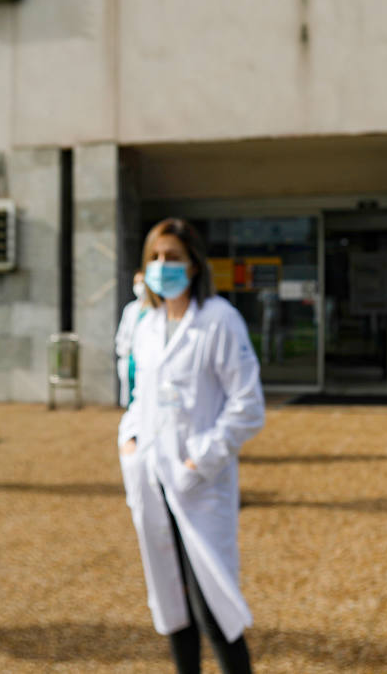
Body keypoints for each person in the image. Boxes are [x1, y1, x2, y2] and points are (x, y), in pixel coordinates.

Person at [118, 218, 265, 674]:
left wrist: (198, 458)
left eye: (173, 257)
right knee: (171, 603)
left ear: (195, 264)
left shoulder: (219, 321)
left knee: (213, 608)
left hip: (199, 485)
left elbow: (247, 406)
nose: (164, 266)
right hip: (152, 478)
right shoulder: (148, 324)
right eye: (156, 258)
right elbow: (138, 396)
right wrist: (129, 439)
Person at [114, 269, 150, 408]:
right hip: (130, 361)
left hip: (147, 360)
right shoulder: (130, 309)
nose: (139, 286)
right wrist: (126, 351)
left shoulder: (158, 310)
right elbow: (122, 335)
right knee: (131, 401)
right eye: (137, 282)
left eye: (143, 282)